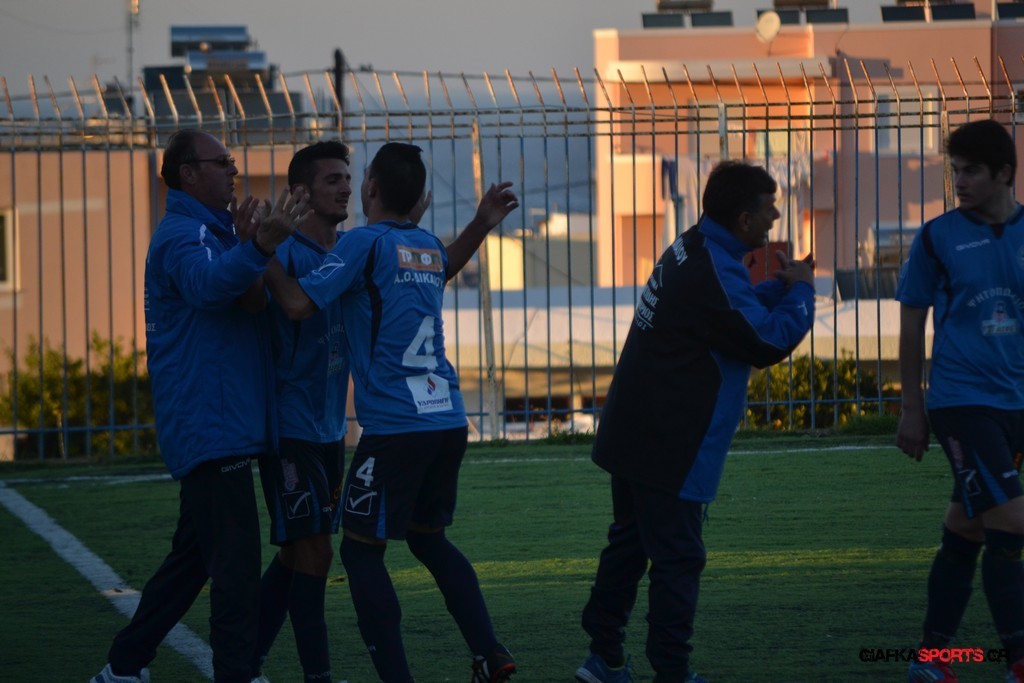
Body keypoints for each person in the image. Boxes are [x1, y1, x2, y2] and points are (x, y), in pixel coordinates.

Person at [264, 142, 520, 683]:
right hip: (447, 418)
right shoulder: (423, 244)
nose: (348, 187)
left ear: (372, 189)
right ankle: (489, 650)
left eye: (354, 178)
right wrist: (481, 223)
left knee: (361, 555)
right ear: (419, 197)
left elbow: (297, 304)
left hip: (397, 428)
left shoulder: (362, 242)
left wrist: (260, 252)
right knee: (428, 538)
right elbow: (447, 263)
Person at [574, 161, 815, 683]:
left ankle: (604, 656)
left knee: (630, 545)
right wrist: (801, 292)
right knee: (679, 558)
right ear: (745, 219)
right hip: (671, 443)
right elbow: (765, 341)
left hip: (633, 430)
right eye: (770, 208)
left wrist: (780, 290)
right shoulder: (715, 267)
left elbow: (728, 314)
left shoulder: (694, 245)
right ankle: (672, 672)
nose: (776, 216)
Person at [91, 129, 309, 683]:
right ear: (188, 173)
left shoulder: (213, 230)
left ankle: (124, 666)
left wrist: (253, 244)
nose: (234, 170)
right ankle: (235, 673)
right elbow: (209, 287)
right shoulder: (181, 235)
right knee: (235, 567)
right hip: (211, 426)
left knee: (192, 561)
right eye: (222, 162)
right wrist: (258, 248)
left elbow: (247, 300)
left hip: (222, 424)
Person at [896, 118, 1024, 683]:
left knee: (968, 527)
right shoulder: (937, 237)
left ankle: (931, 659)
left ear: (1004, 173)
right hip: (961, 402)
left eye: (971, 171)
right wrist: (912, 408)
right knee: (1012, 521)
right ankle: (1018, 660)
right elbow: (910, 324)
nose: (960, 182)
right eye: (956, 171)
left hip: (1016, 404)